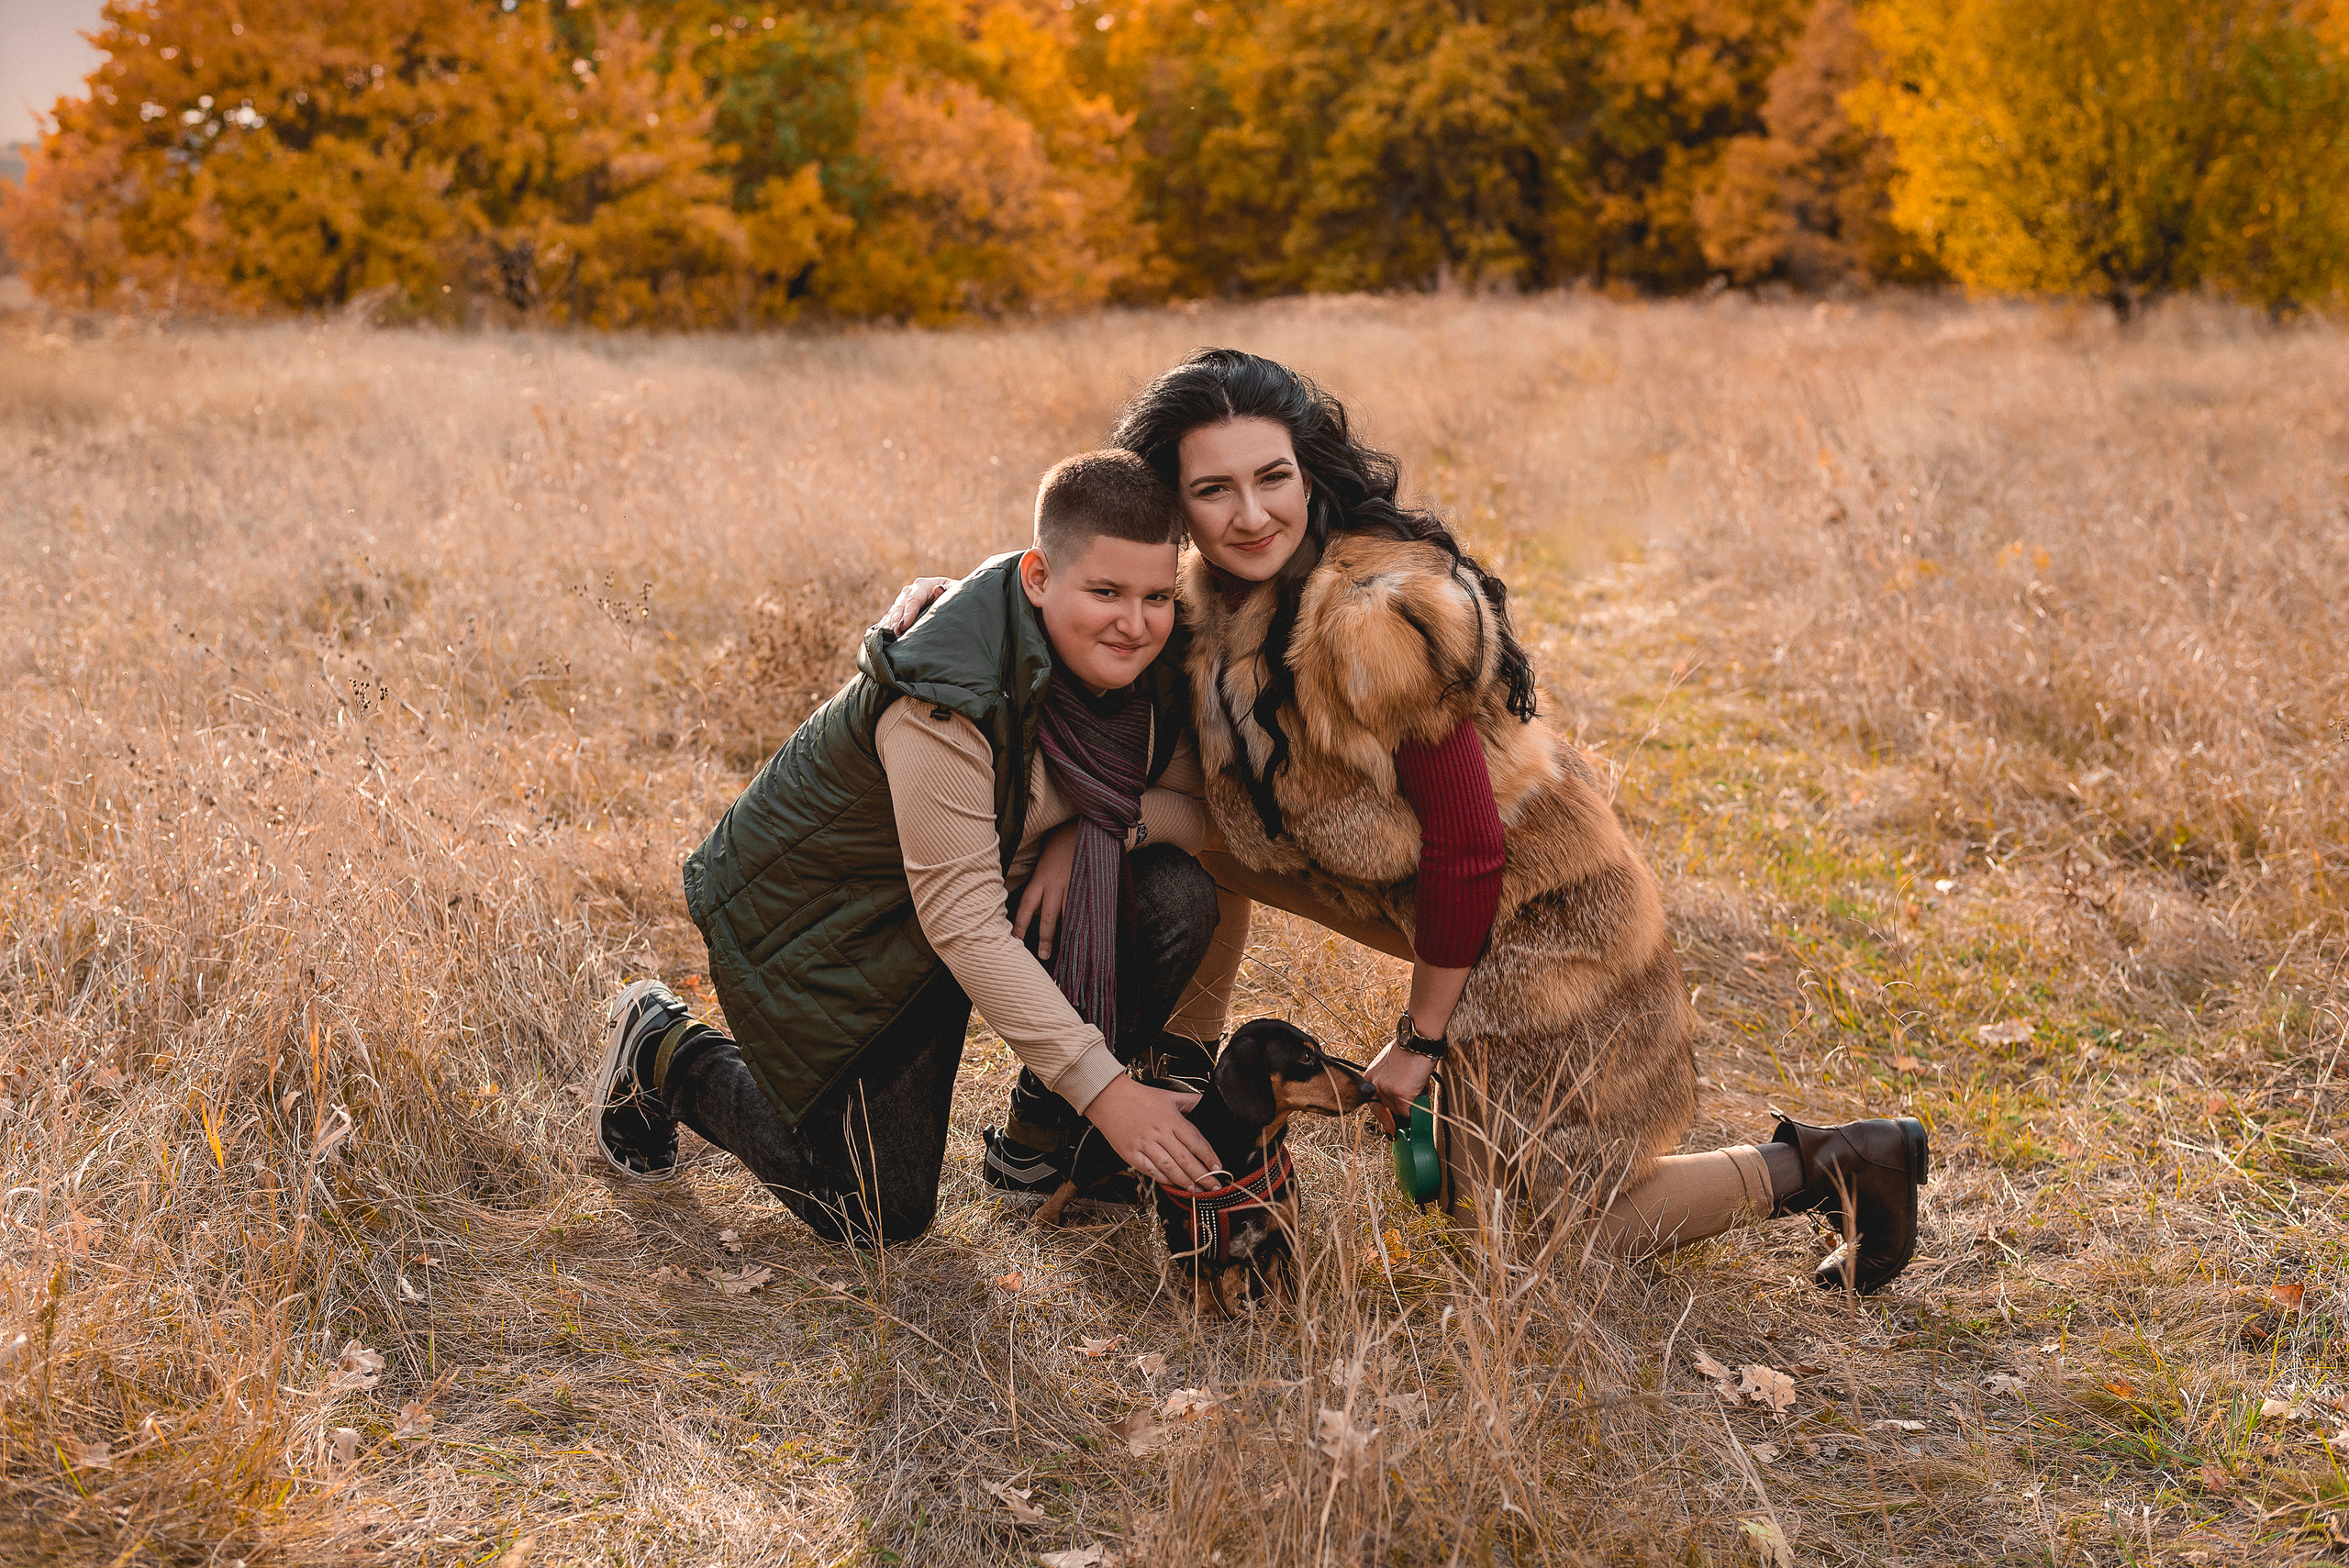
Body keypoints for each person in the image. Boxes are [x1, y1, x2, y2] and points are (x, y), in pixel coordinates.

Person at [894, 350, 1929, 1292]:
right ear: (1175, 504)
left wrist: (1417, 1042)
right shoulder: (1193, 595)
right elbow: (1073, 569)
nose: (1250, 513)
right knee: (1188, 841)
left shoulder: (1378, 614)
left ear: (1309, 472)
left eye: (1273, 478)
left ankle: (1825, 1164)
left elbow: (1472, 852)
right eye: (1211, 489)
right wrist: (957, 617)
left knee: (1529, 1231)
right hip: (1384, 892)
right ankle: (1178, 1088)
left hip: (1536, 919)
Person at [591, 450, 1235, 1246]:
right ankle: (661, 1047)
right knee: (874, 1209)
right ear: (1038, 577)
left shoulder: (1158, 666)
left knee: (1174, 895)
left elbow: (1210, 813)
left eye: (1155, 596)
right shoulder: (944, 697)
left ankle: (1038, 1147)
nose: (1134, 623)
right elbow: (961, 925)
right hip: (856, 916)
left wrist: (1102, 826)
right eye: (1105, 592)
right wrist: (1108, 1089)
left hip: (985, 883)